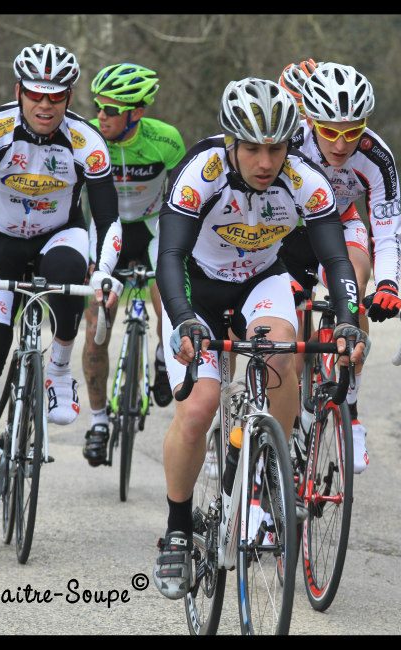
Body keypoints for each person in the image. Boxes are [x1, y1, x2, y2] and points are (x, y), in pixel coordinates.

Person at [151, 77, 368, 600]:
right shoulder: (200, 174)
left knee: (279, 355)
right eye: (252, 148)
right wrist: (182, 318)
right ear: (232, 143)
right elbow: (170, 256)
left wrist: (346, 319)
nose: (266, 161)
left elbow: (336, 259)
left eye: (276, 147)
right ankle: (178, 528)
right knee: (200, 406)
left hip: (260, 281)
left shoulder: (304, 179)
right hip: (194, 286)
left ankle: (263, 475)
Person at [0, 43, 122, 518]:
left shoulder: (87, 142)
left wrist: (104, 271)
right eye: (36, 95)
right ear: (19, 92)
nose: (45, 106)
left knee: (70, 273)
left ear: (69, 97)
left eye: (56, 97)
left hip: (58, 237)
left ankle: (58, 371)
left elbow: (108, 221)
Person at [283, 61, 401, 474]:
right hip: (292, 229)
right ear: (311, 119)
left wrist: (388, 284)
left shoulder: (375, 155)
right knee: (292, 337)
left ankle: (350, 408)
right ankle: (290, 422)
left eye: (352, 131)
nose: (341, 143)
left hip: (344, 221)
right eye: (330, 131)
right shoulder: (290, 141)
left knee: (355, 279)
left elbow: (387, 230)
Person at [80, 63, 186, 467]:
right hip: (106, 229)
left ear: (136, 112)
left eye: (110, 109)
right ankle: (99, 421)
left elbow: (183, 199)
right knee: (96, 325)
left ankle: (162, 359)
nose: (101, 115)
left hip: (153, 227)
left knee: (172, 304)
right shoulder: (86, 137)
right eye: (98, 106)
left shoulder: (166, 140)